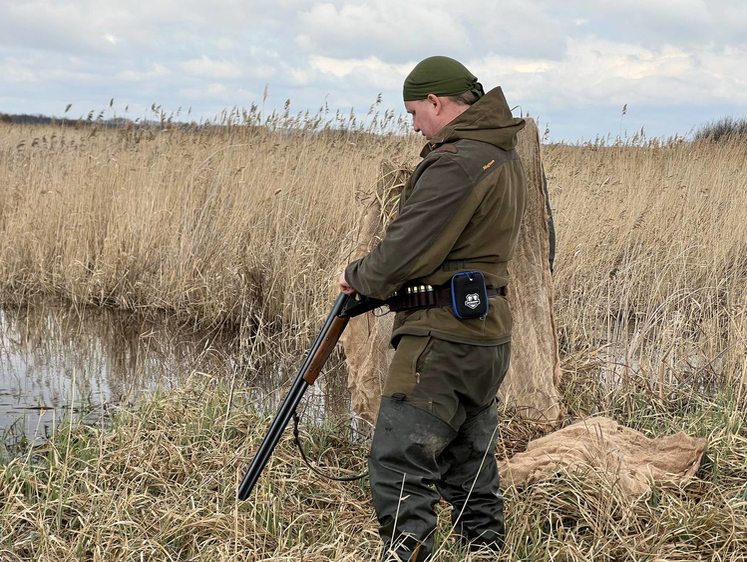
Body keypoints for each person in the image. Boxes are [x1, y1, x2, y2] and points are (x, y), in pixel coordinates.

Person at [338, 56, 526, 561]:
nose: (414, 125)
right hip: (485, 337)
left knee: (399, 461)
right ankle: (486, 553)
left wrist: (357, 276)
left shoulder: (457, 161)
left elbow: (404, 251)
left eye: (415, 112)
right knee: (470, 465)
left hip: (442, 341)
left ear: (438, 103)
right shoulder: (503, 156)